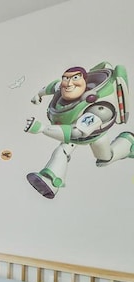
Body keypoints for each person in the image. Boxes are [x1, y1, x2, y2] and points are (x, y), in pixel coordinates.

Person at [24, 62, 134, 198]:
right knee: (61, 152)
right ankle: (51, 180)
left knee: (104, 158)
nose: (68, 83)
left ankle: (128, 143)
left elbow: (76, 132)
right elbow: (52, 87)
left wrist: (42, 128)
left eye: (75, 78)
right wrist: (38, 95)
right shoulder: (64, 90)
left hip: (92, 136)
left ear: (84, 80)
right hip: (71, 135)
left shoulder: (100, 108)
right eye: (66, 78)